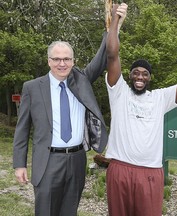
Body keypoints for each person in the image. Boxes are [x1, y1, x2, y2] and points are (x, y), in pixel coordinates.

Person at [12, 5, 127, 216]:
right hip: (47, 161)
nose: (62, 64)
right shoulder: (32, 87)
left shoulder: (80, 81)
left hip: (76, 160)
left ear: (73, 61)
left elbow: (103, 57)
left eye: (67, 59)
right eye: (57, 59)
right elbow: (22, 129)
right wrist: (19, 164)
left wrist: (115, 26)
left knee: (69, 212)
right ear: (49, 61)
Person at [104, 4, 177, 216]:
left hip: (150, 173)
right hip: (120, 169)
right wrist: (115, 22)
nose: (140, 77)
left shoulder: (160, 98)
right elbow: (112, 55)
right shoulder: (119, 92)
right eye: (136, 73)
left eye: (145, 74)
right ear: (129, 76)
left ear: (150, 78)